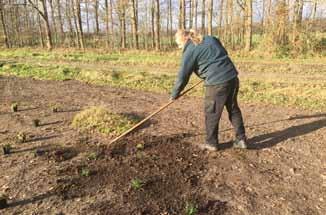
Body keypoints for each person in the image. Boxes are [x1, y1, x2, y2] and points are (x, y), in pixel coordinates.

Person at [170, 29, 247, 151]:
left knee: (211, 113)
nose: (180, 47)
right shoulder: (210, 38)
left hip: (216, 84)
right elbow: (222, 52)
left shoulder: (190, 50)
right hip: (232, 77)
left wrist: (174, 94)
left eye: (179, 44)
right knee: (233, 108)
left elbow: (183, 76)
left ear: (184, 39)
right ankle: (241, 139)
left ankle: (211, 143)